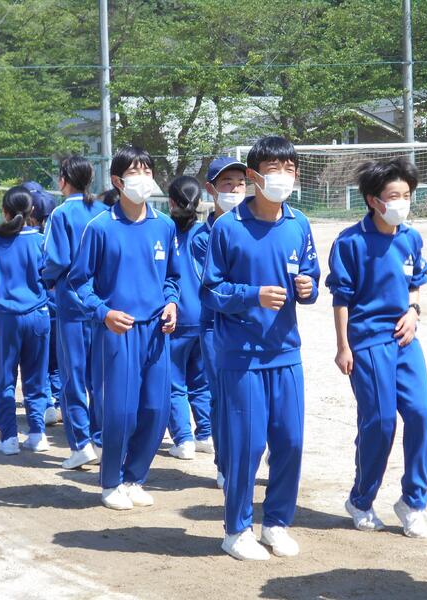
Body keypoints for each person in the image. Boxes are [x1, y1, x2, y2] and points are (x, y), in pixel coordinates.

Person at [201, 136, 320, 561]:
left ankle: (276, 524)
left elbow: (312, 275)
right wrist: (253, 296)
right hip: (241, 355)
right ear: (254, 176)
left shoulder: (299, 223)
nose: (283, 176)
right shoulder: (228, 227)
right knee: (246, 446)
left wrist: (308, 288)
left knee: (290, 442)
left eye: (289, 169)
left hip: (286, 352)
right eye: (273, 169)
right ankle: (236, 530)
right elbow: (210, 291)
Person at [325, 158, 427, 539]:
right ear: (373, 200)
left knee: (420, 415)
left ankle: (413, 502)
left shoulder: (411, 238)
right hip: (368, 341)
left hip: (405, 340)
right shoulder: (350, 242)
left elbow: (415, 282)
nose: (402, 202)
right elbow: (341, 298)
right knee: (381, 422)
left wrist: (414, 311)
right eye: (394, 196)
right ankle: (361, 499)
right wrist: (343, 347)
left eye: (406, 195)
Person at [69, 145, 179, 511]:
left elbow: (173, 277)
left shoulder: (164, 225)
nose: (144, 178)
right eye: (135, 172)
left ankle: (135, 478)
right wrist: (103, 313)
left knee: (156, 410)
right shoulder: (101, 227)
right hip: (118, 331)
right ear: (117, 181)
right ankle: (111, 481)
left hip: (157, 332)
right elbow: (78, 282)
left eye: (148, 171)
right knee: (121, 412)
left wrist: (172, 302)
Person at [0, 186, 51, 455]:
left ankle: (9, 437)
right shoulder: (41, 240)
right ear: (32, 211)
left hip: (7, 318)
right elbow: (50, 276)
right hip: (39, 315)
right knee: (37, 377)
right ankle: (37, 433)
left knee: (5, 378)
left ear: (4, 211)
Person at [43, 157, 106, 470]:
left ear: (64, 180)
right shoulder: (104, 211)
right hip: (102, 306)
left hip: (71, 303)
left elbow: (55, 259)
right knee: (100, 379)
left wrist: (47, 279)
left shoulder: (61, 213)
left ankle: (81, 444)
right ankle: (102, 440)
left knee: (73, 378)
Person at [193, 156, 249, 487]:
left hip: (253, 324)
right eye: (227, 183)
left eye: (240, 183)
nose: (235, 189)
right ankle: (225, 462)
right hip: (216, 326)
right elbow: (217, 285)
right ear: (211, 189)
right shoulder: (203, 237)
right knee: (223, 397)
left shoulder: (256, 227)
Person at [165, 176, 211, 461]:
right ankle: (206, 433)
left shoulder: (162, 230)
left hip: (175, 318)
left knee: (174, 382)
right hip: (204, 316)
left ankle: (183, 438)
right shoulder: (207, 233)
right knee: (201, 379)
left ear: (171, 202)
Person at [25, 180, 62, 427]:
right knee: (57, 360)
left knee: (42, 361)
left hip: (39, 307)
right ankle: (59, 401)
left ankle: (48, 403)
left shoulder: (29, 241)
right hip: (60, 305)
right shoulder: (54, 237)